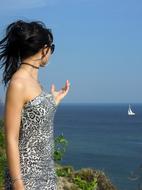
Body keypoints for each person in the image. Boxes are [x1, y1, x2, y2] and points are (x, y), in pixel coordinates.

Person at [0, 19, 70, 190]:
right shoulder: (18, 83)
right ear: (44, 49)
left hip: (46, 175)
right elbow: (11, 138)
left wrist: (54, 99)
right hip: (27, 178)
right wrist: (18, 186)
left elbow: (36, 119)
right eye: (51, 48)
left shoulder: (35, 83)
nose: (51, 53)